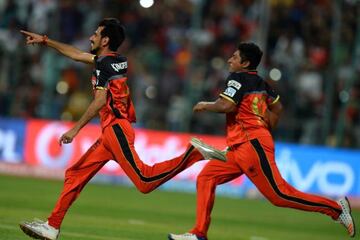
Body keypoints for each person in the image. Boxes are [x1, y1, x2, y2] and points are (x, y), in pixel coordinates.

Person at [18, 18, 226, 240]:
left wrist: (75, 129)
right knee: (75, 173)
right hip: (112, 131)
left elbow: (99, 100)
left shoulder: (103, 64)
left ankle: (193, 154)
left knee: (145, 182)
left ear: (105, 40)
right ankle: (52, 225)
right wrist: (46, 41)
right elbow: (76, 54)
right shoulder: (114, 60)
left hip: (115, 130)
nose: (91, 37)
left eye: (96, 34)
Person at [168, 42, 356, 240]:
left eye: (234, 57)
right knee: (206, 177)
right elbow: (278, 108)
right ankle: (199, 234)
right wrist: (267, 126)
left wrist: (205, 105)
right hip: (241, 146)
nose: (229, 60)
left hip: (252, 145)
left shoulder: (237, 78)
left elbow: (226, 105)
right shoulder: (261, 83)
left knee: (280, 195)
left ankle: (336, 209)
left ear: (245, 63)